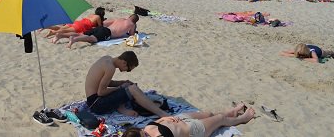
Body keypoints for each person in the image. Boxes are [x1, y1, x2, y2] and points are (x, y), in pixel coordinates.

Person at [83, 51, 170, 117]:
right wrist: (120, 87)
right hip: (97, 104)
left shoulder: (107, 59)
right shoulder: (110, 68)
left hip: (93, 101)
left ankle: (122, 108)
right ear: (124, 63)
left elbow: (103, 83)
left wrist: (122, 83)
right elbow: (101, 92)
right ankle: (163, 114)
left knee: (128, 87)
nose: (126, 71)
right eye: (128, 69)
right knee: (132, 89)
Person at [123, 104, 255, 137]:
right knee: (220, 119)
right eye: (144, 135)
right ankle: (242, 119)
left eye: (142, 131)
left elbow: (158, 122)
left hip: (181, 119)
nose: (145, 132)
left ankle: (231, 112)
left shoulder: (145, 129)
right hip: (192, 129)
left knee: (209, 113)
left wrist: (166, 118)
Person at [67, 14, 139, 49]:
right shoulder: (132, 24)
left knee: (82, 33)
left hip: (101, 28)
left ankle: (63, 35)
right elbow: (131, 34)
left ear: (129, 17)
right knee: (93, 39)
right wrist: (134, 29)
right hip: (107, 33)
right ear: (135, 21)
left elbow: (105, 23)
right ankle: (75, 39)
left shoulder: (121, 19)